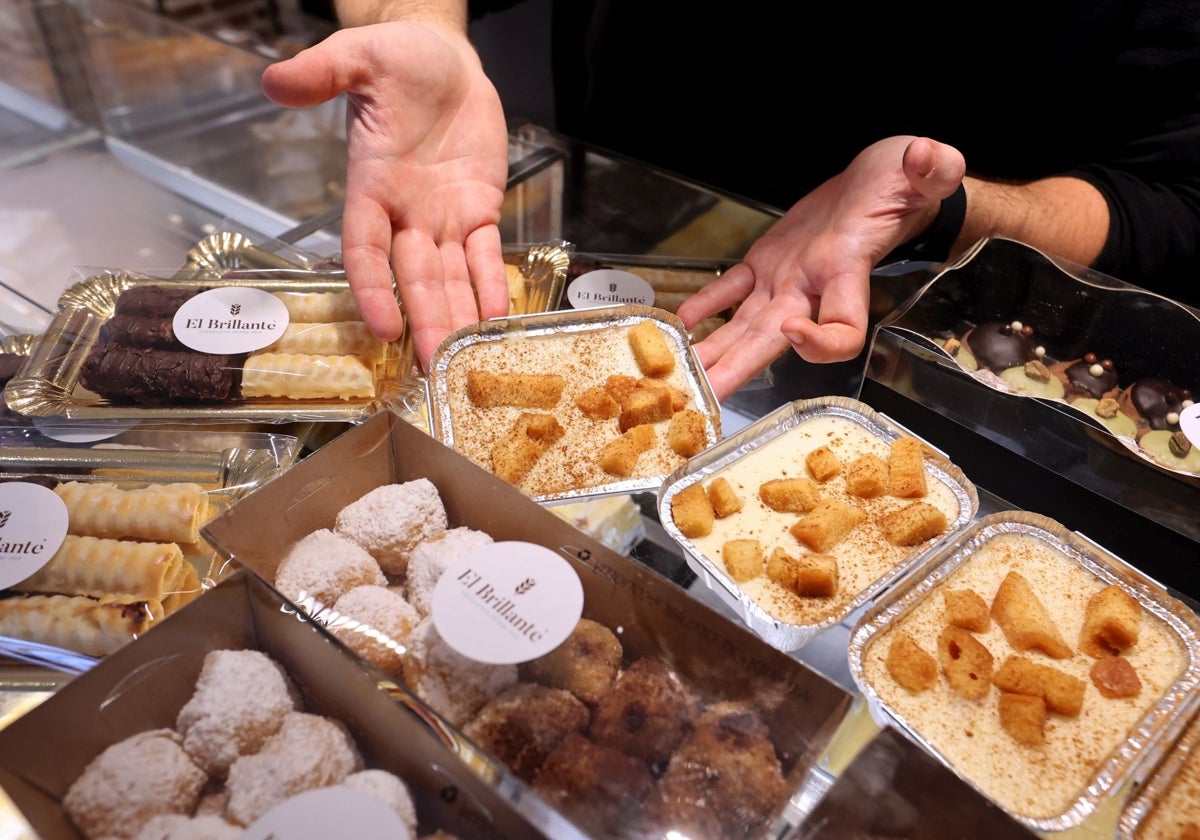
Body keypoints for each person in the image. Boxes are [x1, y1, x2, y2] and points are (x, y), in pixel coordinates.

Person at [261, 1, 1200, 402]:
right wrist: (421, 33)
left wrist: (941, 209)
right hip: (614, 219)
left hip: (931, 309)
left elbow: (1171, 195)